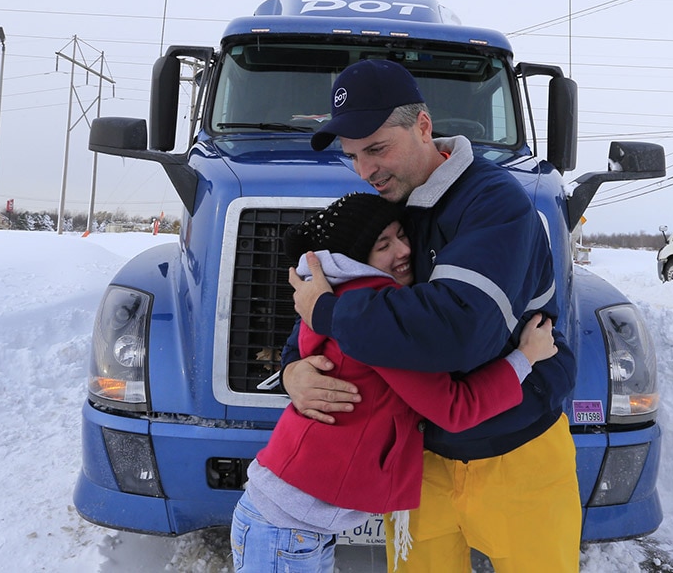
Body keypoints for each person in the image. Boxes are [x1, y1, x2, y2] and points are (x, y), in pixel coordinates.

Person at [283, 59, 582, 572]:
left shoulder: (495, 205)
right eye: (353, 155)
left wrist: (333, 314)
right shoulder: (387, 206)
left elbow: (457, 332)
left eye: (376, 148)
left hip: (517, 455)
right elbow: (326, 293)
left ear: (424, 126)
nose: (365, 170)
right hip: (419, 459)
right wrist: (294, 369)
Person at [232, 192, 557, 573]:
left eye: (403, 235)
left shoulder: (342, 300)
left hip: (289, 520)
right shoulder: (375, 321)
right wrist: (525, 358)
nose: (403, 250)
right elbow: (455, 407)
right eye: (383, 245)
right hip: (286, 529)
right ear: (356, 259)